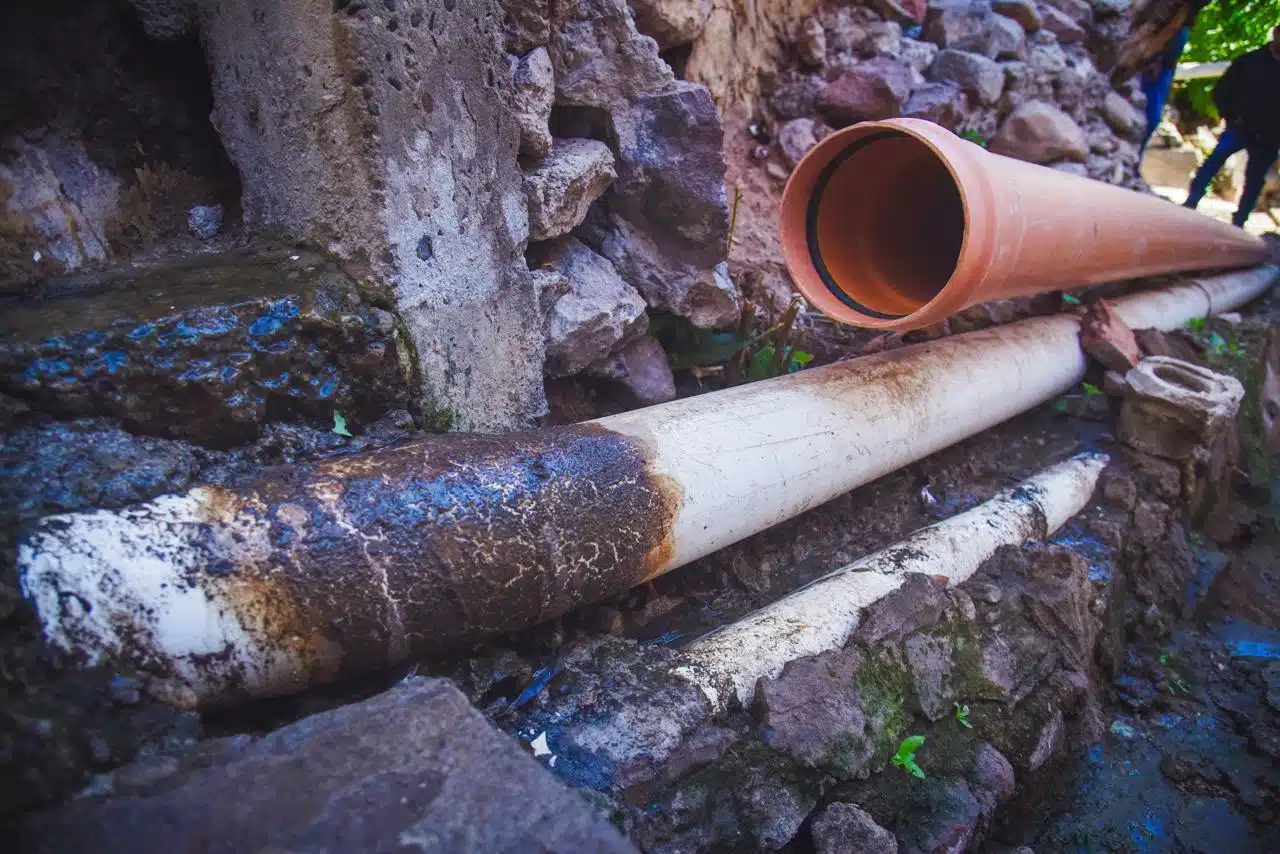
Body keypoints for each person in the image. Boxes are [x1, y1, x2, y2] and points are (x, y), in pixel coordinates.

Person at [1185, 26, 1280, 227]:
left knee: (1255, 179)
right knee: (1214, 161)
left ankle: (1240, 221)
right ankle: (1191, 202)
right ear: (1276, 35)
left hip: (1269, 136)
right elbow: (1222, 90)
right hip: (1240, 127)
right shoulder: (1249, 62)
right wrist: (1231, 116)